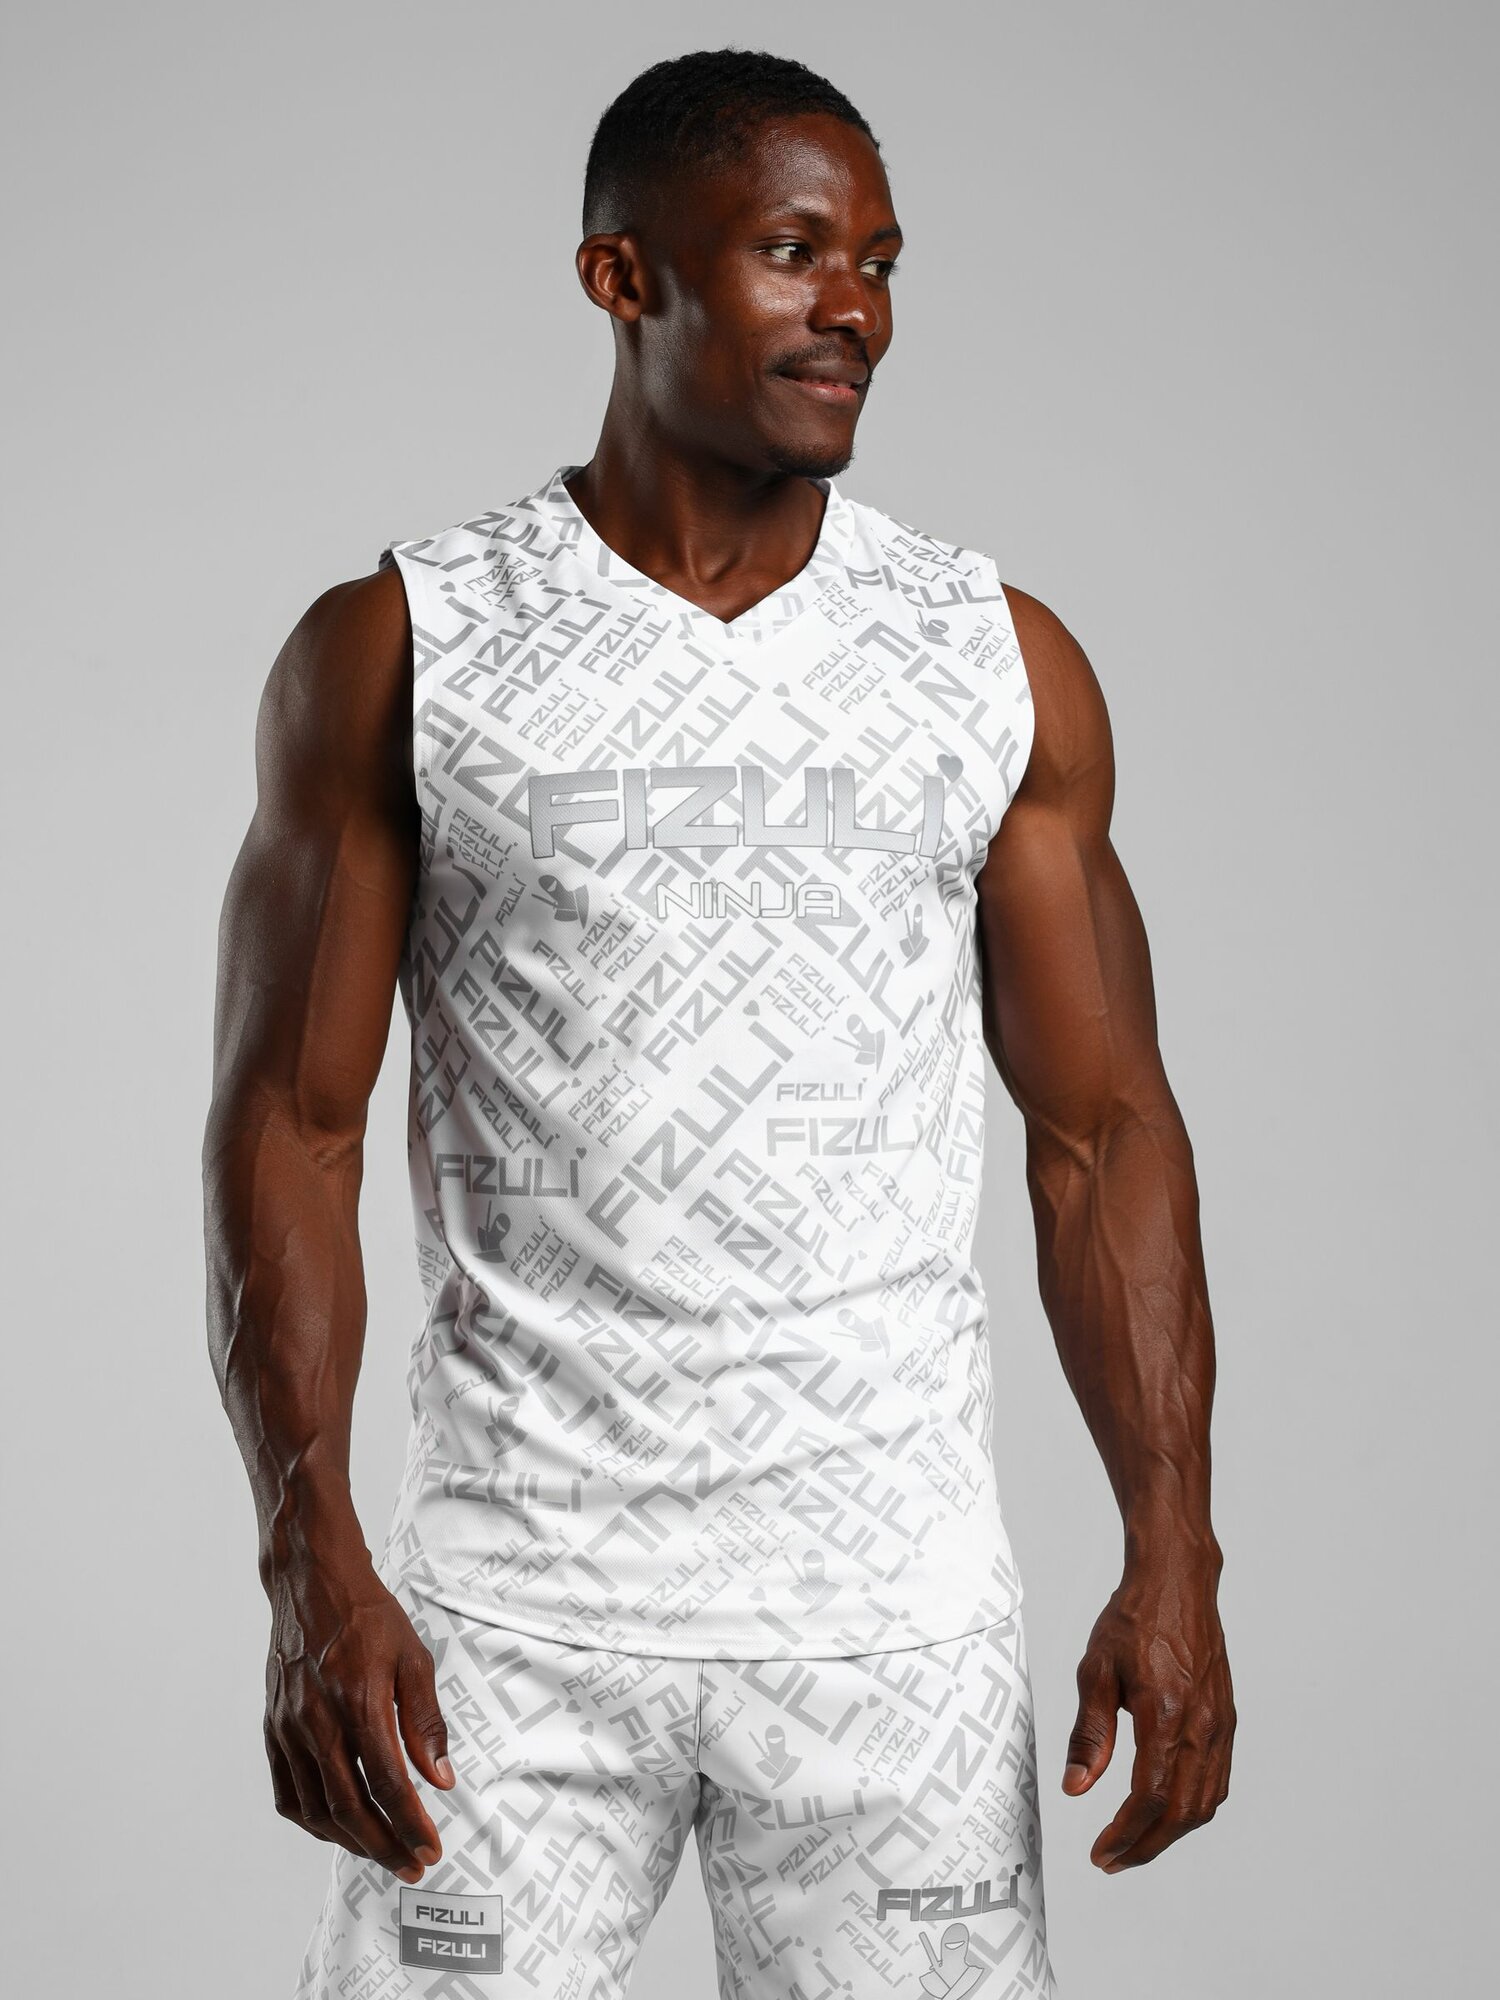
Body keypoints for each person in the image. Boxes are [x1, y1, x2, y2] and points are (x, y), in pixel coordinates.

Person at [203, 47, 1234, 2000]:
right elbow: (291, 1129)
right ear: (623, 275)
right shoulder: (411, 647)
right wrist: (305, 1558)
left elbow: (1103, 1129)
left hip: (887, 1628)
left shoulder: (985, 658)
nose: (857, 309)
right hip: (513, 1618)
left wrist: (1173, 1544)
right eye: (794, 251)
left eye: (880, 263)